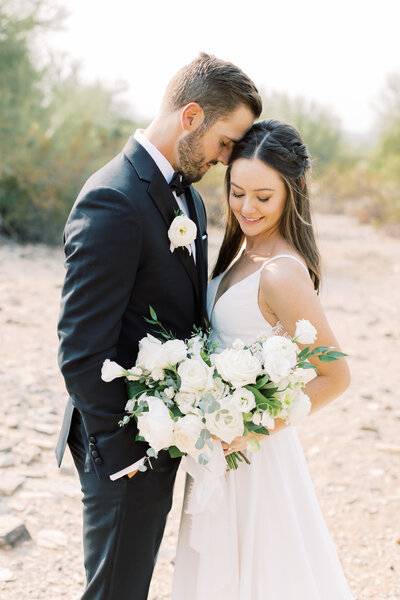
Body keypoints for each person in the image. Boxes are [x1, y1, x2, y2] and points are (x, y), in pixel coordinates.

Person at [55, 53, 262, 600]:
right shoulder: (113, 198)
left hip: (161, 433)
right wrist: (125, 457)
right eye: (225, 142)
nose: (225, 160)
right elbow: (80, 348)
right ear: (190, 116)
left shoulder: (187, 194)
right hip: (122, 441)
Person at [172, 119, 354, 599]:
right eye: (237, 192)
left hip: (255, 456)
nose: (246, 208)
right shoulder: (242, 254)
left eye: (263, 197)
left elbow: (335, 375)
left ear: (291, 193)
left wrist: (248, 427)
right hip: (216, 450)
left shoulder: (281, 274)